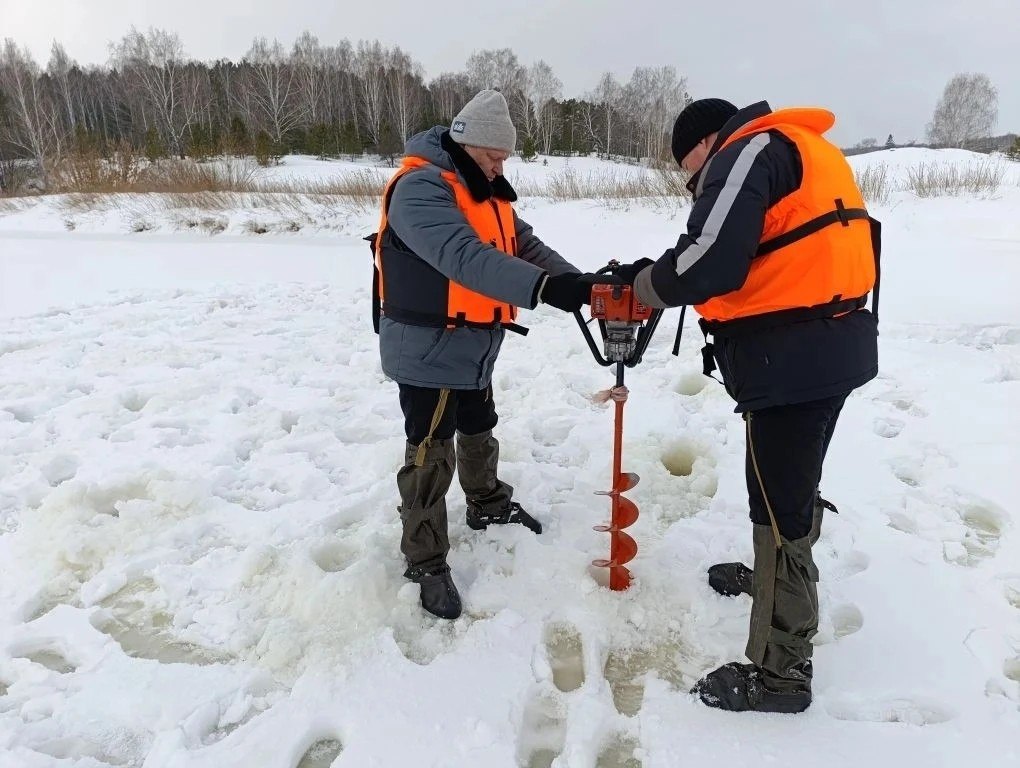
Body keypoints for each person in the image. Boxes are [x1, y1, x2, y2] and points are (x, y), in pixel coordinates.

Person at [613, 98, 880, 713]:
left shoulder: (750, 150)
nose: (693, 182)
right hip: (831, 344)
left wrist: (643, 286)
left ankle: (781, 673)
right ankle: (773, 585)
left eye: (690, 167)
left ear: (709, 141)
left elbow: (711, 261)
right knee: (789, 482)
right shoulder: (802, 148)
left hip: (788, 359)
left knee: (779, 503)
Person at [371, 90, 597, 620]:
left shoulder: (485, 191)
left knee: (479, 422)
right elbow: (463, 256)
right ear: (467, 142)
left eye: (505, 159)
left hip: (475, 340)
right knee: (430, 448)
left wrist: (580, 283)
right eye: (494, 156)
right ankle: (425, 560)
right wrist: (543, 289)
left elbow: (525, 246)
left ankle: (487, 503)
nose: (500, 167)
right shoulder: (420, 188)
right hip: (428, 344)